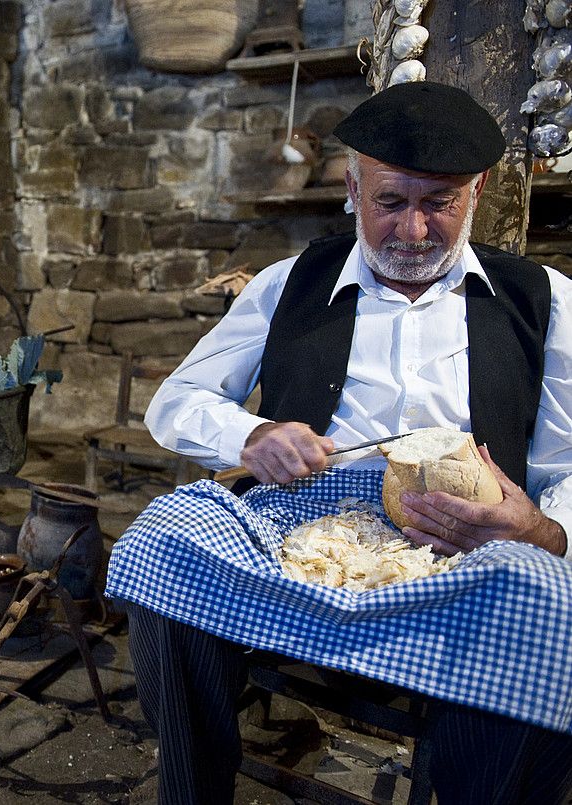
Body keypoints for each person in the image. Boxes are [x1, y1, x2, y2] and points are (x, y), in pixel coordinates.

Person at [106, 82, 572, 803]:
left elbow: (567, 466)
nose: (414, 231)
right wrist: (253, 433)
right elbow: (177, 402)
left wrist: (541, 527)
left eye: (440, 203)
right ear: (352, 188)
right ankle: (192, 787)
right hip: (296, 536)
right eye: (391, 202)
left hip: (460, 548)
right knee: (168, 535)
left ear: (477, 190)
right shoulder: (285, 283)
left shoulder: (544, 299)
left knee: (544, 593)